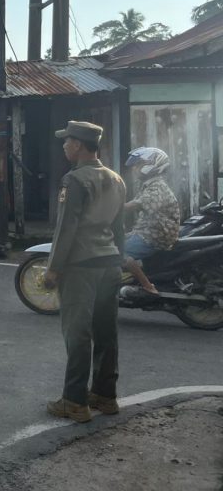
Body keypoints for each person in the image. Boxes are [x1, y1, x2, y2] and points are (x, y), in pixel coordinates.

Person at [43, 120, 127, 424]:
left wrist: (53, 270)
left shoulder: (74, 180)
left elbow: (66, 229)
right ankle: (105, 395)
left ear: (78, 145)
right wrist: (121, 259)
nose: (64, 145)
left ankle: (74, 401)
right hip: (109, 263)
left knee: (78, 334)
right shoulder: (116, 178)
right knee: (107, 332)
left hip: (81, 267)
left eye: (67, 141)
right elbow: (119, 227)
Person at [122, 147, 180, 295]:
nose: (135, 168)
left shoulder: (158, 186)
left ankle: (148, 287)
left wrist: (112, 208)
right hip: (147, 231)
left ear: (153, 165)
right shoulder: (149, 184)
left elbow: (136, 204)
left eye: (139, 164)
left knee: (119, 252)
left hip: (154, 236)